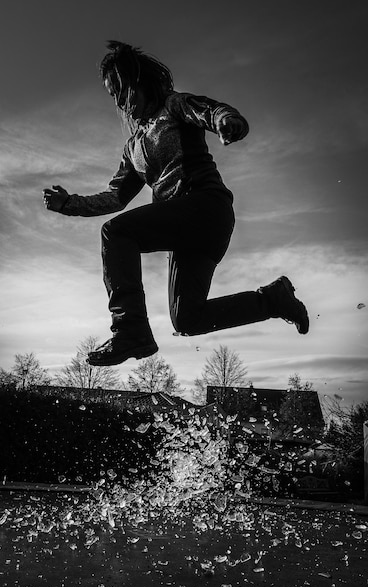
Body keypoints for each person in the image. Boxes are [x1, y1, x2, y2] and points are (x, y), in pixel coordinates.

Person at [43, 41, 309, 367]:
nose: (119, 102)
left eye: (121, 91)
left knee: (116, 233)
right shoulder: (133, 146)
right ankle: (273, 301)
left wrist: (227, 121)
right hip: (183, 230)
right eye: (112, 96)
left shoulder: (174, 105)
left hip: (204, 207)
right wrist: (69, 203)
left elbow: (210, 110)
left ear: (139, 82)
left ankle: (129, 329)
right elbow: (115, 197)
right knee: (187, 320)